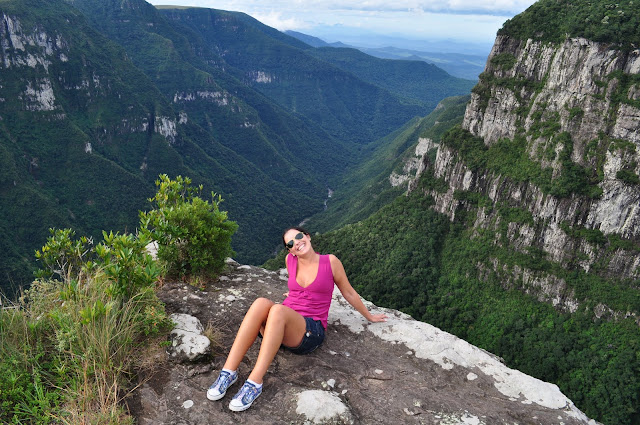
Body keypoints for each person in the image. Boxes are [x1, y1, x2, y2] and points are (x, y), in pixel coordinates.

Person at [207, 226, 388, 412]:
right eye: (291, 244)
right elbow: (296, 287)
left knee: (277, 309)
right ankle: (228, 372)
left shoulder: (330, 262)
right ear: (290, 250)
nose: (297, 243)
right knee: (261, 303)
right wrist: (295, 294)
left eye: (299, 237)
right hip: (280, 327)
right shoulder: (290, 260)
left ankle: (254, 383)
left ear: (308, 236)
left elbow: (348, 292)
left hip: (310, 330)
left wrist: (369, 316)